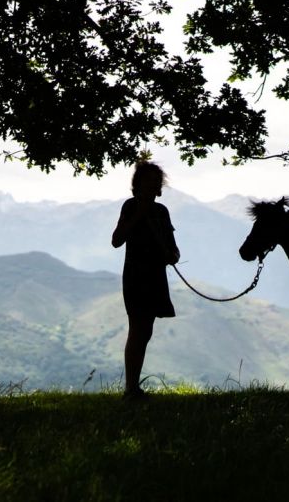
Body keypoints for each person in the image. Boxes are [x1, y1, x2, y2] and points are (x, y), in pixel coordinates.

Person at [111, 161, 180, 401]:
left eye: (154, 182)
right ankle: (131, 389)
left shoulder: (161, 212)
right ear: (137, 184)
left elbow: (174, 250)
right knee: (138, 329)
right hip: (136, 277)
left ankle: (133, 388)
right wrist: (138, 216)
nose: (151, 186)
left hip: (155, 277)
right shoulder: (130, 207)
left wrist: (171, 256)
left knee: (145, 331)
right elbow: (117, 240)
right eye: (147, 182)